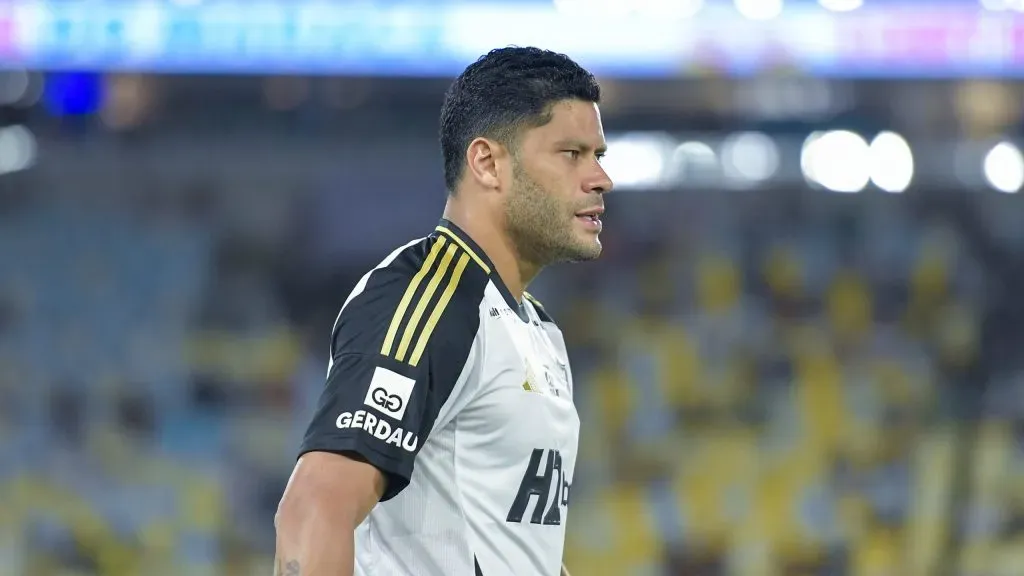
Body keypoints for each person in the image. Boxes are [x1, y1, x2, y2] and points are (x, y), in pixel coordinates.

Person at [274, 46, 614, 576]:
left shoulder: (538, 328)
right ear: (487, 162)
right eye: (572, 153)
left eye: (599, 155)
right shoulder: (427, 296)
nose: (600, 179)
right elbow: (315, 510)